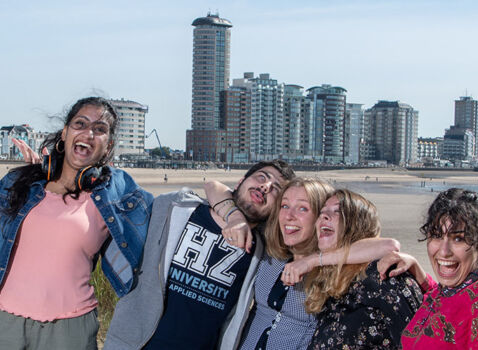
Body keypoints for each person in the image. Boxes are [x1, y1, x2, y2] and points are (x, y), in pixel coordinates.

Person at [0, 97, 154, 349]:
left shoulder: (115, 196)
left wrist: (224, 201)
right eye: (80, 123)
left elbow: (172, 208)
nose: (88, 133)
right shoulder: (19, 182)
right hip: (6, 323)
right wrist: (32, 174)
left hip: (70, 331)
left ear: (109, 145)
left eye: (100, 129)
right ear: (65, 133)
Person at [103, 160, 295, 350]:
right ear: (239, 183)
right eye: (262, 177)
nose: (265, 186)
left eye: (275, 189)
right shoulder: (174, 207)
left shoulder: (261, 253)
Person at [234, 179, 401, 350]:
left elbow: (389, 246)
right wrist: (233, 217)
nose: (289, 216)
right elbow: (216, 191)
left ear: (318, 218)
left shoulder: (332, 265)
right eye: (284, 206)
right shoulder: (270, 251)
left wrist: (312, 260)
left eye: (303, 208)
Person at [378, 188, 478, 349]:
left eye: (458, 238)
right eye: (437, 236)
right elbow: (447, 303)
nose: (444, 251)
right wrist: (415, 267)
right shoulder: (451, 289)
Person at [295, 189, 424, 349]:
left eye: (338, 211)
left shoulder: (384, 276)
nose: (324, 216)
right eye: (322, 212)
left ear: (358, 224)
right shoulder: (331, 281)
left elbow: (419, 341)